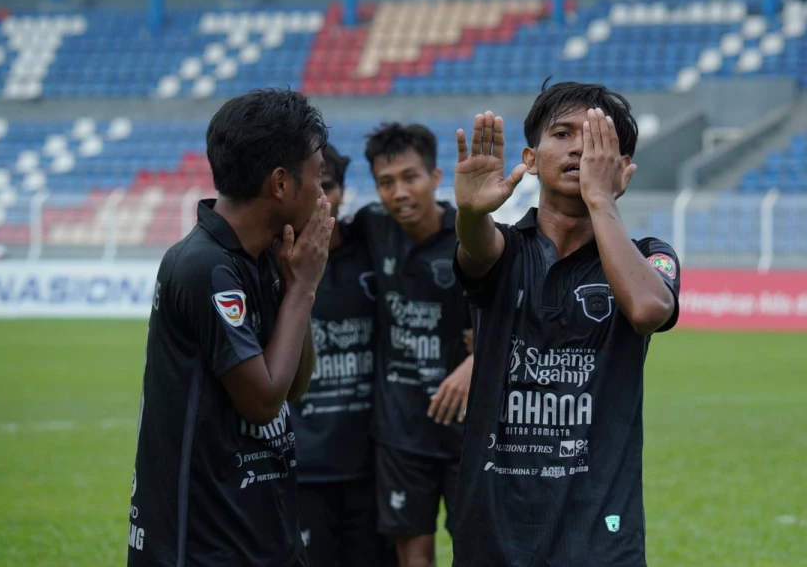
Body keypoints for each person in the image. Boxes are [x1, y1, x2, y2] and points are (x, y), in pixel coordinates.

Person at [450, 82, 680, 567]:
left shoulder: (649, 257)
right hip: (495, 521)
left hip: (599, 528)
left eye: (598, 138)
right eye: (562, 133)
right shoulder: (506, 249)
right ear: (531, 159)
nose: (579, 147)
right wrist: (470, 214)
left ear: (624, 167)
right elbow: (476, 249)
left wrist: (601, 201)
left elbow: (646, 310)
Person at [128, 89, 333, 567]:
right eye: (318, 178)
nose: (323, 197)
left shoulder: (262, 258)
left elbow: (292, 385)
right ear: (281, 183)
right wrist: (303, 288)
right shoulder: (205, 267)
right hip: (204, 545)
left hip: (262, 533)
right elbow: (262, 402)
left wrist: (293, 286)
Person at [349, 123, 474, 567]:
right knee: (411, 556)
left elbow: (514, 316)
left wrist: (476, 361)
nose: (399, 192)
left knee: (478, 551)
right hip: (401, 433)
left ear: (436, 178)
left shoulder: (474, 236)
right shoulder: (372, 227)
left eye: (410, 177)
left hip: (468, 434)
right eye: (386, 182)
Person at [291, 143, 394, 566]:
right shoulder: (277, 261)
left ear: (343, 191)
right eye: (310, 186)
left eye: (328, 186)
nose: (320, 198)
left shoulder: (373, 246)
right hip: (304, 468)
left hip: (373, 464)